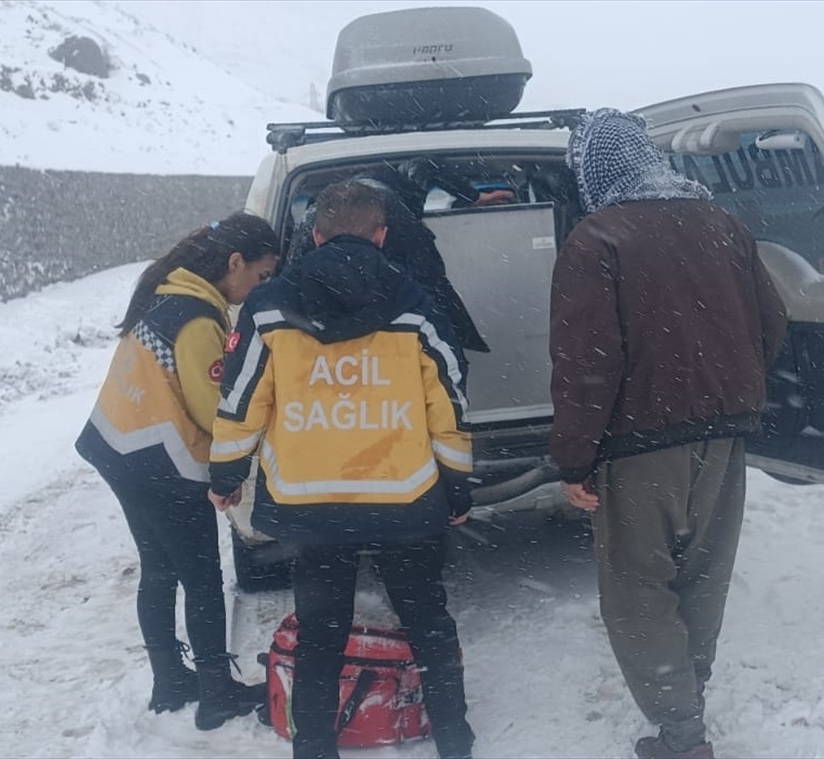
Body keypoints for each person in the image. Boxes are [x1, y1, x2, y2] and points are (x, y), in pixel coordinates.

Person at [549, 109, 788, 759]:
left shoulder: (598, 237)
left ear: (595, 170)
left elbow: (586, 362)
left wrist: (573, 457)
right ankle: (689, 699)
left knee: (637, 588)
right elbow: (771, 324)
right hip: (723, 435)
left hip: (639, 445)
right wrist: (725, 388)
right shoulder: (723, 225)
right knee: (702, 575)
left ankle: (682, 735)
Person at [208, 180, 476, 759]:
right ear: (382, 235)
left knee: (320, 634)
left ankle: (315, 747)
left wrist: (225, 478)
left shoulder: (268, 307)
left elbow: (240, 402)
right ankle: (455, 740)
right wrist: (456, 487)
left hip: (312, 503)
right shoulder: (417, 306)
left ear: (316, 233)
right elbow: (449, 408)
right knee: (427, 620)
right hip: (403, 498)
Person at [74, 213, 280, 730]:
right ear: (234, 263)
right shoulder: (197, 319)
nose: (259, 287)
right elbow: (213, 410)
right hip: (160, 462)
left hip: (118, 447)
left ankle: (170, 681)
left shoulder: (170, 292)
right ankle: (215, 694)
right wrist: (235, 465)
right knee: (202, 576)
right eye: (259, 276)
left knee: (160, 570)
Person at [285, 158, 513, 355]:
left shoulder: (311, 223)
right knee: (431, 295)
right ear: (381, 235)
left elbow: (289, 303)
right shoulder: (402, 202)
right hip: (394, 220)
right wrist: (473, 196)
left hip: (328, 373)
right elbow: (422, 165)